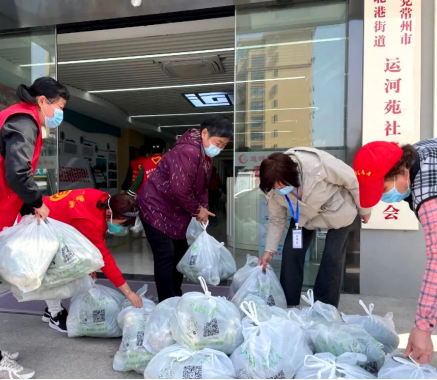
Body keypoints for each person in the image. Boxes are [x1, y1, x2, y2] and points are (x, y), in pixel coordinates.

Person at [0, 77, 70, 379]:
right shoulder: (24, 120)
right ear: (43, 100)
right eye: (59, 106)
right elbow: (17, 171)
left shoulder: (18, 117)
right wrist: (37, 201)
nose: (58, 113)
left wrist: (28, 206)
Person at [354, 139, 437, 365]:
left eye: (383, 188)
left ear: (401, 172)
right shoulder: (417, 153)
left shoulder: (429, 192)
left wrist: (422, 328)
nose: (383, 198)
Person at [258, 149, 372, 308]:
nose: (280, 189)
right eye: (276, 187)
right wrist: (269, 250)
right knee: (291, 253)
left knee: (332, 257)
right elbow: (277, 220)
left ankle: (324, 308)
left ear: (293, 174)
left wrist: (364, 209)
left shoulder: (319, 164)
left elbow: (353, 182)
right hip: (303, 218)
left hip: (338, 212)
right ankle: (289, 303)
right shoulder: (273, 187)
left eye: (283, 185)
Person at [137, 115, 232, 302]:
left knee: (179, 252)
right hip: (156, 206)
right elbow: (180, 189)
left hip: (174, 211)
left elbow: (202, 186)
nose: (219, 149)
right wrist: (198, 210)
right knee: (166, 255)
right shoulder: (188, 151)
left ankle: (175, 295)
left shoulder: (204, 154)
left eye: (224, 146)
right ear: (204, 133)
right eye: (218, 143)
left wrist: (203, 207)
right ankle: (167, 302)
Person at [23, 189, 143, 334]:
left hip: (48, 215)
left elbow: (88, 243)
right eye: (121, 223)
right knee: (55, 271)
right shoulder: (89, 219)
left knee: (66, 267)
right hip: (40, 222)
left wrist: (90, 266)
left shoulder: (102, 198)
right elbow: (104, 258)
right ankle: (55, 313)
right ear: (109, 214)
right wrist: (128, 292)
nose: (121, 227)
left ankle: (50, 309)